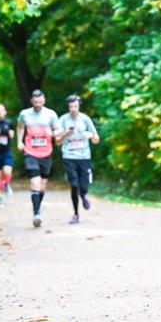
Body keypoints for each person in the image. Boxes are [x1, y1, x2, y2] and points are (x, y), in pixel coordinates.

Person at [17, 90, 69, 227]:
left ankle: (37, 209)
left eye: (40, 102)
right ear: (31, 101)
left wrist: (51, 133)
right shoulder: (25, 114)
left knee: (42, 186)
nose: (38, 105)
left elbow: (58, 131)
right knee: (35, 183)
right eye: (35, 103)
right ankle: (36, 213)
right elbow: (20, 126)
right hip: (30, 152)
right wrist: (19, 141)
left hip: (46, 153)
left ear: (44, 100)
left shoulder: (51, 114)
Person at [57, 94, 99, 224]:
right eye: (71, 107)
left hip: (84, 157)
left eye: (75, 106)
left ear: (79, 105)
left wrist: (91, 135)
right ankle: (76, 214)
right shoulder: (63, 120)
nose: (73, 109)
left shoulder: (85, 119)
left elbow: (97, 139)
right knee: (74, 185)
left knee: (83, 186)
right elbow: (57, 141)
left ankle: (84, 195)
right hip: (69, 156)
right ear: (68, 107)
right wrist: (66, 133)